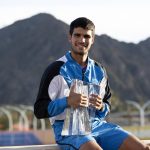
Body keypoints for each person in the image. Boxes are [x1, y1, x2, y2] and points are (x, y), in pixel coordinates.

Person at [34, 17, 150, 150]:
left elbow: (107, 105)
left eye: (87, 36)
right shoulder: (56, 69)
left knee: (143, 148)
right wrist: (67, 101)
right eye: (77, 35)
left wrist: (101, 106)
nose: (82, 40)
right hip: (71, 131)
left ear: (92, 39)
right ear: (70, 37)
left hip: (99, 127)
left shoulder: (99, 70)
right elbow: (39, 109)